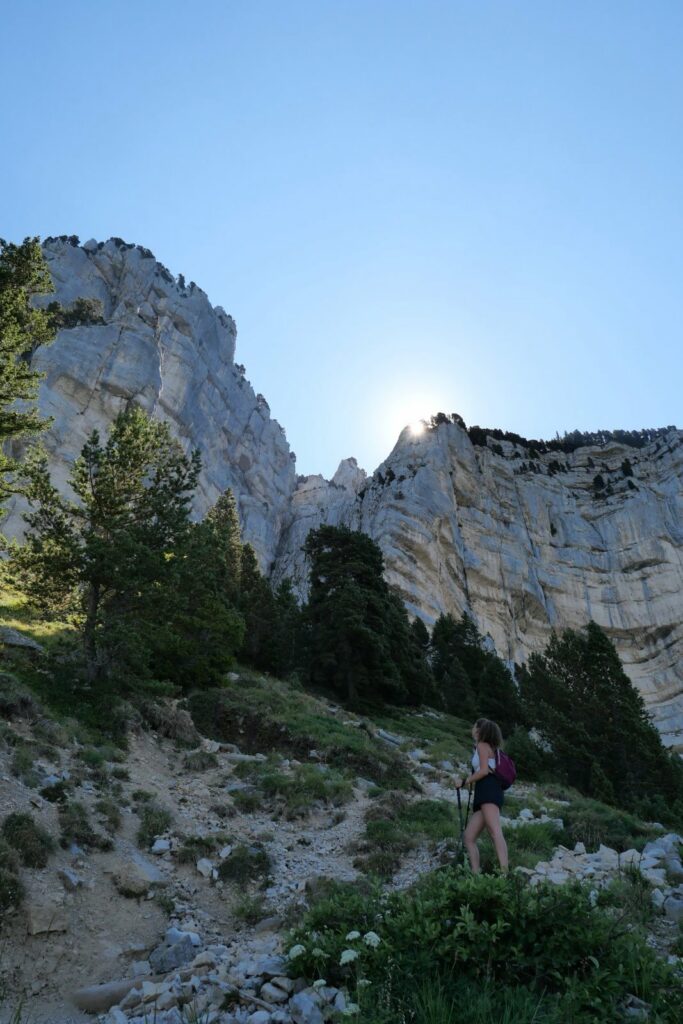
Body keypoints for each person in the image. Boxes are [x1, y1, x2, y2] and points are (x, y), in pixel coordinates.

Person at [455, 717, 508, 873]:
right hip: (486, 790)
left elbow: (484, 770)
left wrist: (464, 781)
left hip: (488, 788)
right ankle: (475, 873)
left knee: (494, 830)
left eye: (474, 726)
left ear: (478, 730)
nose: (472, 729)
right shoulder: (490, 748)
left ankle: (505, 872)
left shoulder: (483, 746)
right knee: (469, 837)